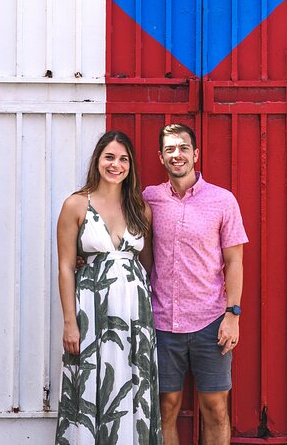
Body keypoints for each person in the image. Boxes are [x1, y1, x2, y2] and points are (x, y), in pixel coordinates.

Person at [55, 131, 163, 445]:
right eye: (110, 157)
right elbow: (64, 267)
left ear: (131, 165)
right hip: (90, 310)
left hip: (135, 314)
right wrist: (69, 322)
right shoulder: (76, 204)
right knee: (89, 384)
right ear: (98, 160)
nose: (116, 165)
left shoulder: (140, 208)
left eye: (123, 159)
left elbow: (146, 263)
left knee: (133, 384)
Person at [143, 124, 248, 444]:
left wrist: (233, 314)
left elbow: (234, 261)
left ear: (196, 154)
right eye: (171, 149)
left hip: (211, 322)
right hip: (163, 322)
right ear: (161, 156)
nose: (178, 155)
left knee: (215, 408)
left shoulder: (222, 200)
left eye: (184, 148)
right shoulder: (149, 198)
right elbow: (120, 233)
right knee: (166, 407)